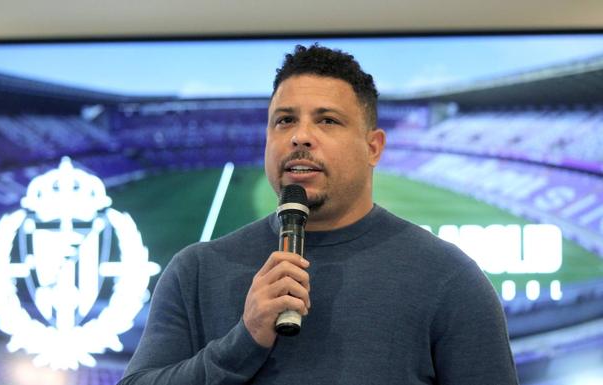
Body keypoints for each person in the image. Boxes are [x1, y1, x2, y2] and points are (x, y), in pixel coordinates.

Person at [118, 44, 519, 385]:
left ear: (373, 147)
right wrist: (245, 340)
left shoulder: (448, 277)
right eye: (284, 120)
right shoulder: (195, 272)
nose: (300, 136)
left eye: (327, 120)